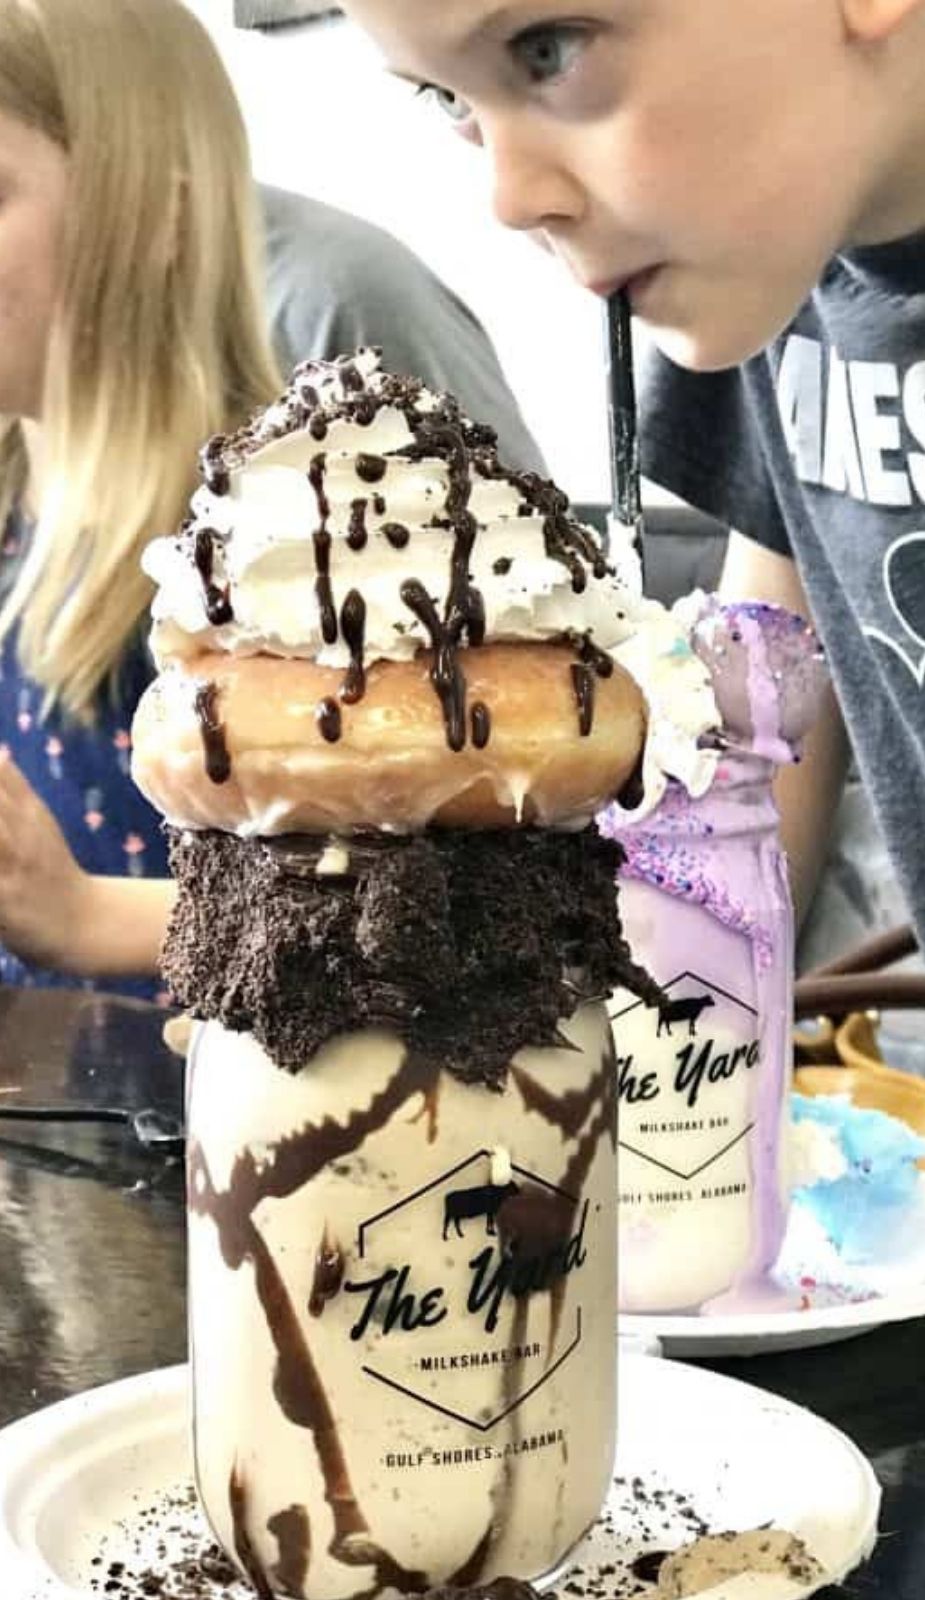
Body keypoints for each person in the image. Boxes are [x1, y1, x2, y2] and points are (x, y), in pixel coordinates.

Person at [338, 0, 925, 1233]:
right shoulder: (778, 230)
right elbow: (757, 730)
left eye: (545, 49)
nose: (507, 193)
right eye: (448, 103)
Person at [0, 0, 543, 1000]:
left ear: (161, 217)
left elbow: (439, 910)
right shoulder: (15, 518)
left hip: (238, 1123)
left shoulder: (292, 548)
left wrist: (79, 915)